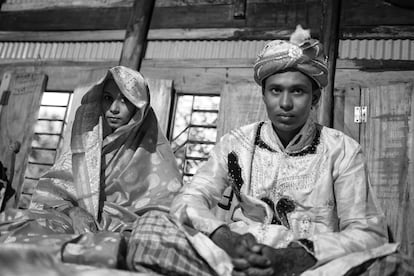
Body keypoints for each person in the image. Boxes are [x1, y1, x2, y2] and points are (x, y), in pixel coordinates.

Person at [169, 26, 390, 276]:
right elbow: (190, 198)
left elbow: (369, 233)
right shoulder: (235, 144)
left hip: (310, 266)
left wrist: (293, 258)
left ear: (315, 98)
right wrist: (223, 236)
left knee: (392, 263)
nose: (285, 103)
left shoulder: (343, 150)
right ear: (263, 94)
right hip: (236, 259)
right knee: (152, 225)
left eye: (297, 91)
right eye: (276, 90)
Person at [0, 66, 183, 269]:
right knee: (15, 221)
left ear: (140, 107)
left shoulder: (155, 154)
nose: (113, 108)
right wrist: (74, 212)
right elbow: (51, 193)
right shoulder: (86, 146)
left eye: (125, 100)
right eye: (107, 98)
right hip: (75, 224)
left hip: (127, 235)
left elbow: (164, 212)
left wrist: (122, 231)